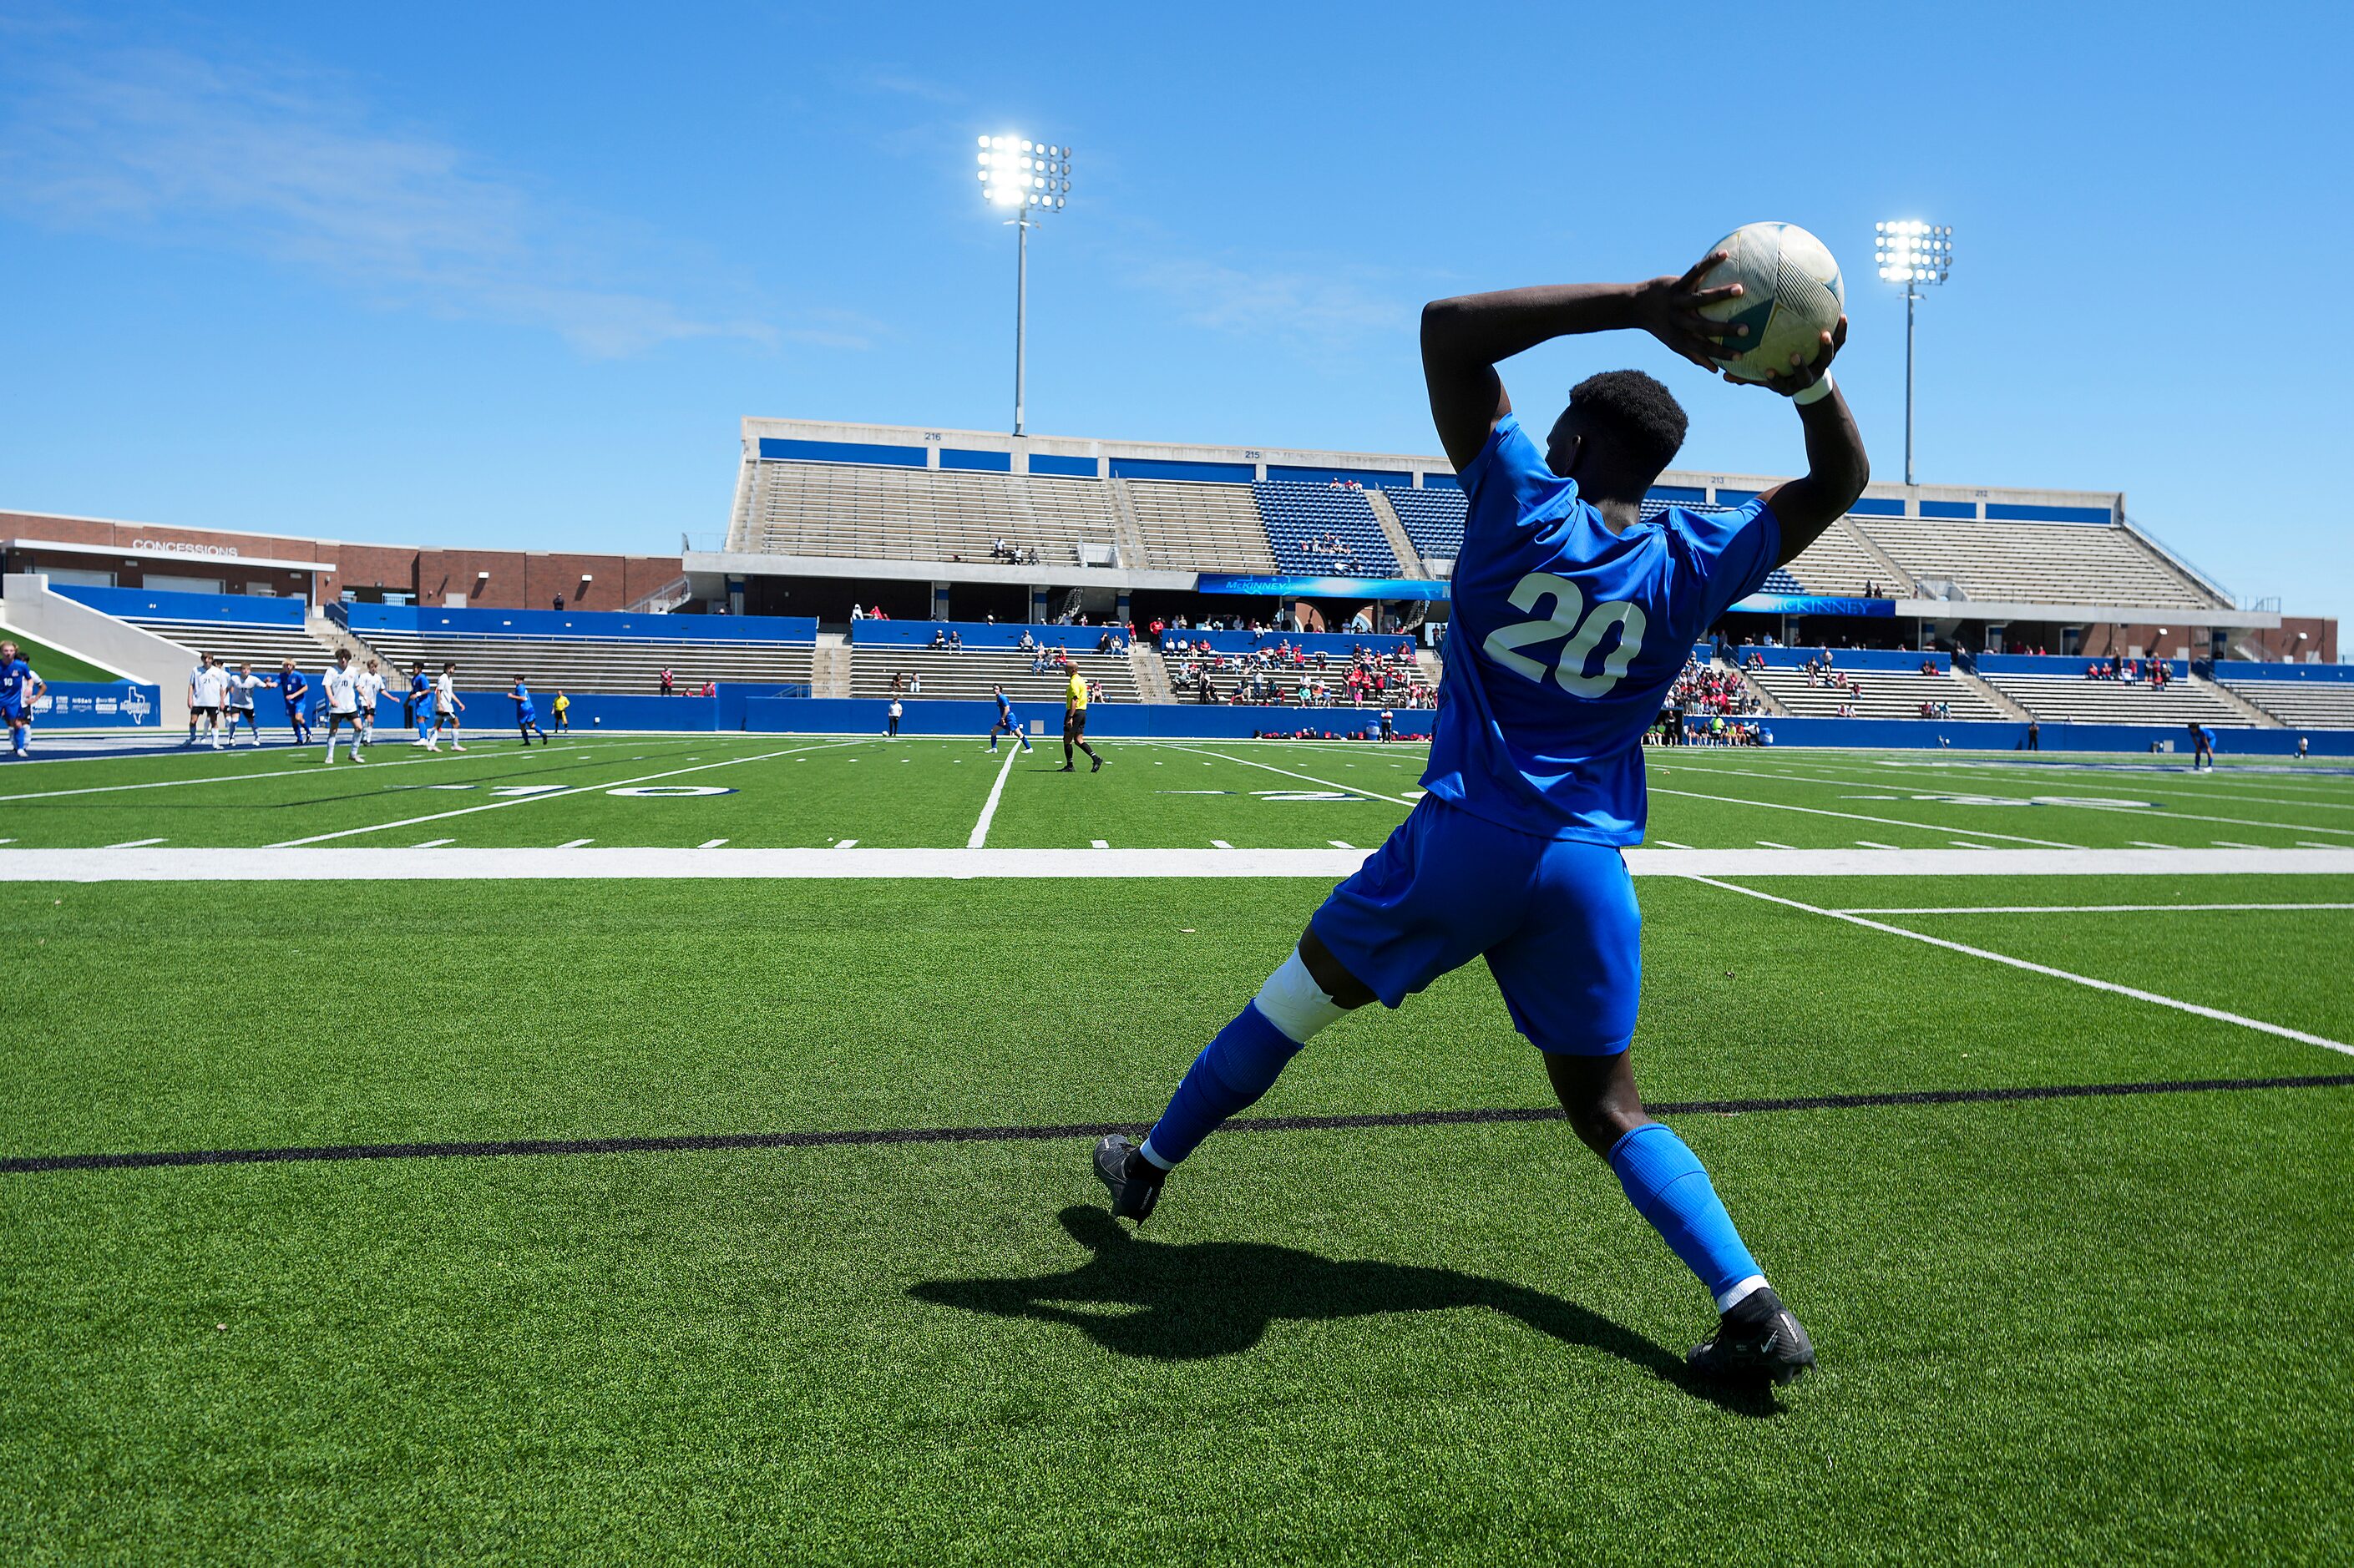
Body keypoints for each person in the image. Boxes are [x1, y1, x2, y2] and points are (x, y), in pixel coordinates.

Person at [1092, 252, 1866, 1388]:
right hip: (1585, 866)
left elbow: (1446, 329)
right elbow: (1836, 480)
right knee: (1609, 1106)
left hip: (1465, 839)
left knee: (1294, 999)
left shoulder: (1519, 505)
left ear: (1577, 446)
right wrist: (1805, 384)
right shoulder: (1691, 560)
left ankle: (1149, 1164)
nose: (1543, 435)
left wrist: (1634, 306)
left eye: (1559, 426)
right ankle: (1748, 1303)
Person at [319, 650, 365, 764]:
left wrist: (365, 697)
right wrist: (332, 699)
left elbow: (357, 686)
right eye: (340, 658)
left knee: (359, 727)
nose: (343, 660)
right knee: (333, 730)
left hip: (350, 706)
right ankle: (330, 756)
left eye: (345, 658)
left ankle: (353, 754)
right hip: (337, 706)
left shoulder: (353, 671)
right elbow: (327, 686)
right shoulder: (331, 671)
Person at [0, 640, 41, 758]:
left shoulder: (21, 666)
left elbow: (30, 678)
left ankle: (20, 749)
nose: (9, 653)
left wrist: (29, 687)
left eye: (11, 651)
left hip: (13, 700)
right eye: (6, 651)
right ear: (1, 652)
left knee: (18, 724)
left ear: (15, 652)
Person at [1061, 660, 1101, 773]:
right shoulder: (1080, 680)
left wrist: (1070, 717)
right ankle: (1096, 758)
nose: (1065, 670)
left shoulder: (1074, 682)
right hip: (1082, 712)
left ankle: (1070, 765)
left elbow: (1075, 699)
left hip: (1075, 712)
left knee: (1067, 739)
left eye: (1067, 668)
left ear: (1073, 670)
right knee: (1078, 740)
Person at [223, 662, 269, 746]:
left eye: (247, 669)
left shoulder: (253, 679)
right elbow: (227, 688)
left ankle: (257, 737)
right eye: (244, 669)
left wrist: (268, 683)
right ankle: (231, 737)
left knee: (251, 721)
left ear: (250, 671)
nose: (245, 671)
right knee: (234, 720)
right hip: (236, 703)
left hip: (248, 704)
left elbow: (265, 686)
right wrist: (222, 700)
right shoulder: (234, 678)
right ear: (240, 670)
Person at [187, 653, 226, 748]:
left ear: (212, 660)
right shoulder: (196, 670)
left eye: (209, 659)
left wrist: (222, 701)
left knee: (214, 721)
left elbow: (222, 688)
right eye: (205, 658)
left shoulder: (217, 672)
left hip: (212, 701)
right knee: (193, 721)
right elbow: (191, 685)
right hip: (198, 700)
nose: (207, 660)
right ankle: (192, 737)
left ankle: (215, 742)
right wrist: (190, 698)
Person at [353, 659, 389, 754]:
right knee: (368, 719)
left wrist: (392, 698)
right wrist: (365, 698)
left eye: (375, 667)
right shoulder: (364, 676)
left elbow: (382, 690)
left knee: (371, 721)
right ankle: (365, 740)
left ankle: (366, 738)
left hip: (372, 702)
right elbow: (360, 688)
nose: (374, 669)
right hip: (363, 701)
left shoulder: (378, 678)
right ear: (369, 667)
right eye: (372, 667)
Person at [987, 685, 1032, 753]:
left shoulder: (1002, 698)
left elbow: (1007, 708)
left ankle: (1029, 748)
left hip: (1009, 718)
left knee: (1018, 734)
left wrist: (1003, 718)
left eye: (996, 689)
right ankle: (994, 749)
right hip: (1005, 718)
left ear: (1000, 690)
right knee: (993, 731)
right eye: (994, 689)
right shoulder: (999, 698)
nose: (994, 690)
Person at [433, 664, 466, 751]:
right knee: (456, 723)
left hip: (445, 705)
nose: (452, 671)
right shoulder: (443, 678)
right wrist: (439, 705)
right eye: (451, 669)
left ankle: (431, 745)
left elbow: (450, 693)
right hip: (444, 706)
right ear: (447, 669)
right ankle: (455, 745)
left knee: (437, 725)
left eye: (453, 669)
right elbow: (438, 691)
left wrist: (459, 703)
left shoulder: (449, 679)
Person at [278, 660, 311, 745]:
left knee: (298, 717)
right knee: (293, 720)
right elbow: (276, 683)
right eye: (286, 665)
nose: (288, 667)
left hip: (299, 701)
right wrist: (268, 683)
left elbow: (305, 687)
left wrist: (294, 695)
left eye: (289, 665)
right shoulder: (282, 676)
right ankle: (299, 738)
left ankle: (309, 732)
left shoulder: (298, 675)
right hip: (289, 702)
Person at [509, 676, 547, 745]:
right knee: (532, 725)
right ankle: (542, 734)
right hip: (529, 708)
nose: (515, 681)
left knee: (522, 726)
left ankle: (527, 742)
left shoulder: (520, 687)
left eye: (517, 680)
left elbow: (523, 698)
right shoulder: (523, 687)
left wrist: (512, 696)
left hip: (523, 709)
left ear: (521, 680)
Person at [408, 664, 434, 745]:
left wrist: (417, 694)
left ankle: (423, 738)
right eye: (414, 668)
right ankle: (424, 738)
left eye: (417, 668)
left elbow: (428, 690)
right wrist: (407, 702)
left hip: (424, 701)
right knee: (420, 719)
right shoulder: (414, 679)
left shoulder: (422, 678)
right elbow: (413, 691)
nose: (415, 669)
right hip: (419, 702)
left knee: (421, 719)